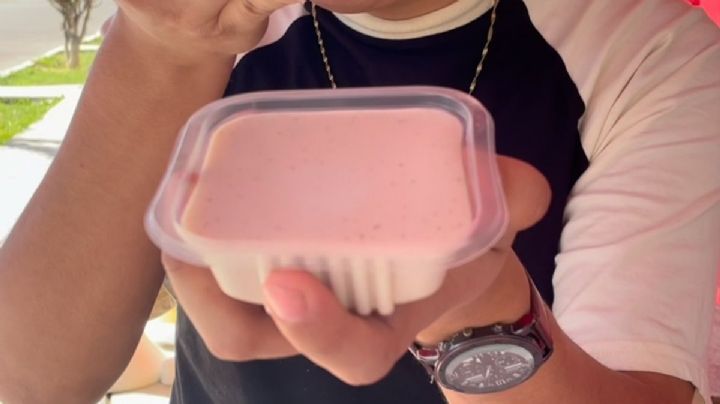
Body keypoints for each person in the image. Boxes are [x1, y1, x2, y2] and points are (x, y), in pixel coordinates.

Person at [0, 0, 718, 403]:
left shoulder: (648, 54)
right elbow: (28, 377)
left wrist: (481, 313)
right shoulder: (199, 18)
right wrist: (164, 48)